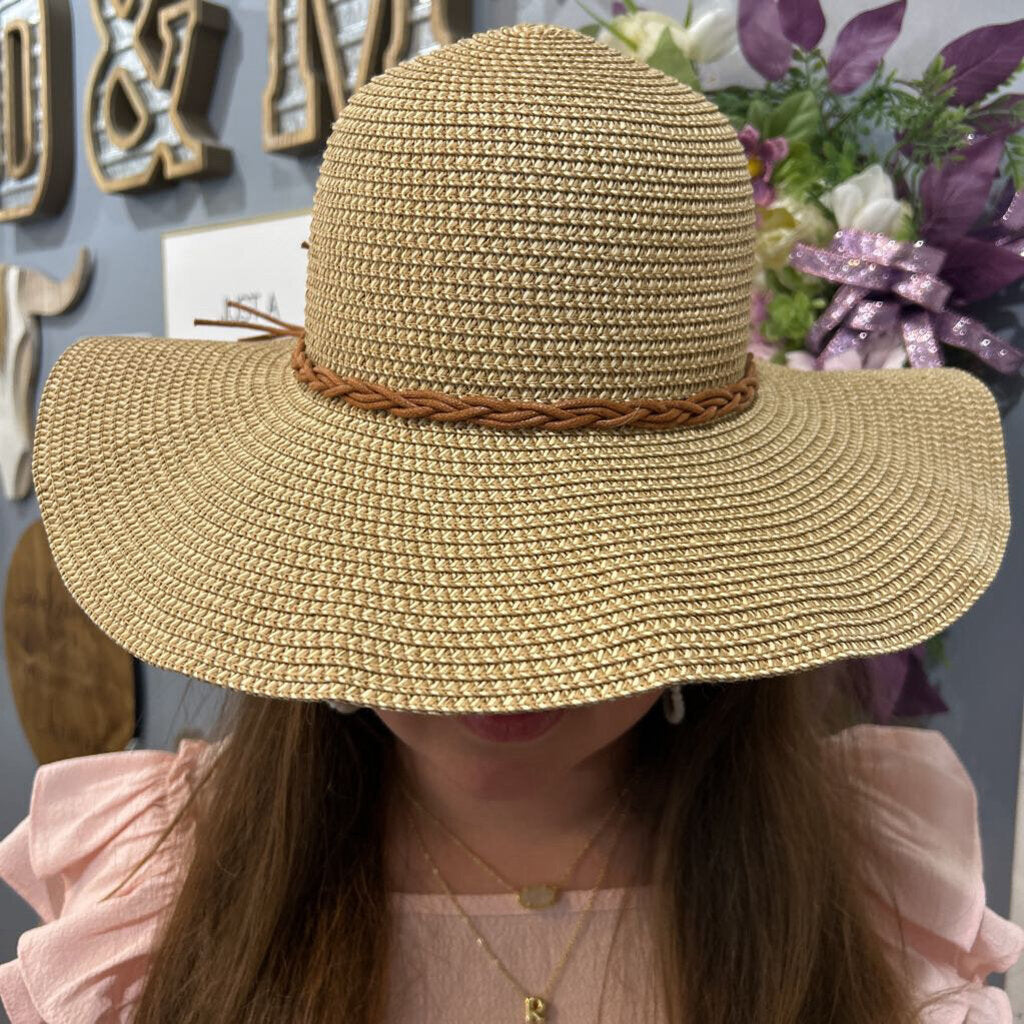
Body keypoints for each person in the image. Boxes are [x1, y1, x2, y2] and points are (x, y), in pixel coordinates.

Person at [1, 20, 1021, 1024]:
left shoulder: (865, 884)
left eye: (594, 562)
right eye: (426, 553)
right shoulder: (162, 886)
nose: (509, 662)